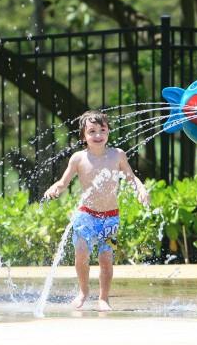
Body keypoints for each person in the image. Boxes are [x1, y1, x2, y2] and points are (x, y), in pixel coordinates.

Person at [43, 110, 150, 311]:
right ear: (84, 136)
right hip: (86, 214)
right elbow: (64, 182)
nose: (98, 135)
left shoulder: (117, 155)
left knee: (106, 259)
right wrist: (55, 188)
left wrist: (141, 189)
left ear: (109, 131)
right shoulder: (78, 158)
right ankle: (83, 291)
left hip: (110, 218)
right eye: (92, 131)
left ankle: (104, 297)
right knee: (81, 252)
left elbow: (131, 177)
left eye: (102, 130)